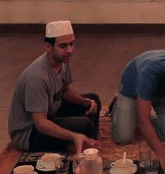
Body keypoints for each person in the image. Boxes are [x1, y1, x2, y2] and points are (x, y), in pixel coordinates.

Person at [7, 20, 101, 154]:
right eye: (63, 46)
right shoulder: (37, 77)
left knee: (93, 100)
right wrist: (73, 135)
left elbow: (64, 90)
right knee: (84, 125)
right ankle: (77, 142)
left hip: (51, 113)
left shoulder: (63, 61)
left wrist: (83, 102)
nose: (69, 50)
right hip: (30, 132)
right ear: (48, 47)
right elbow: (41, 124)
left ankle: (85, 141)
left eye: (71, 44)